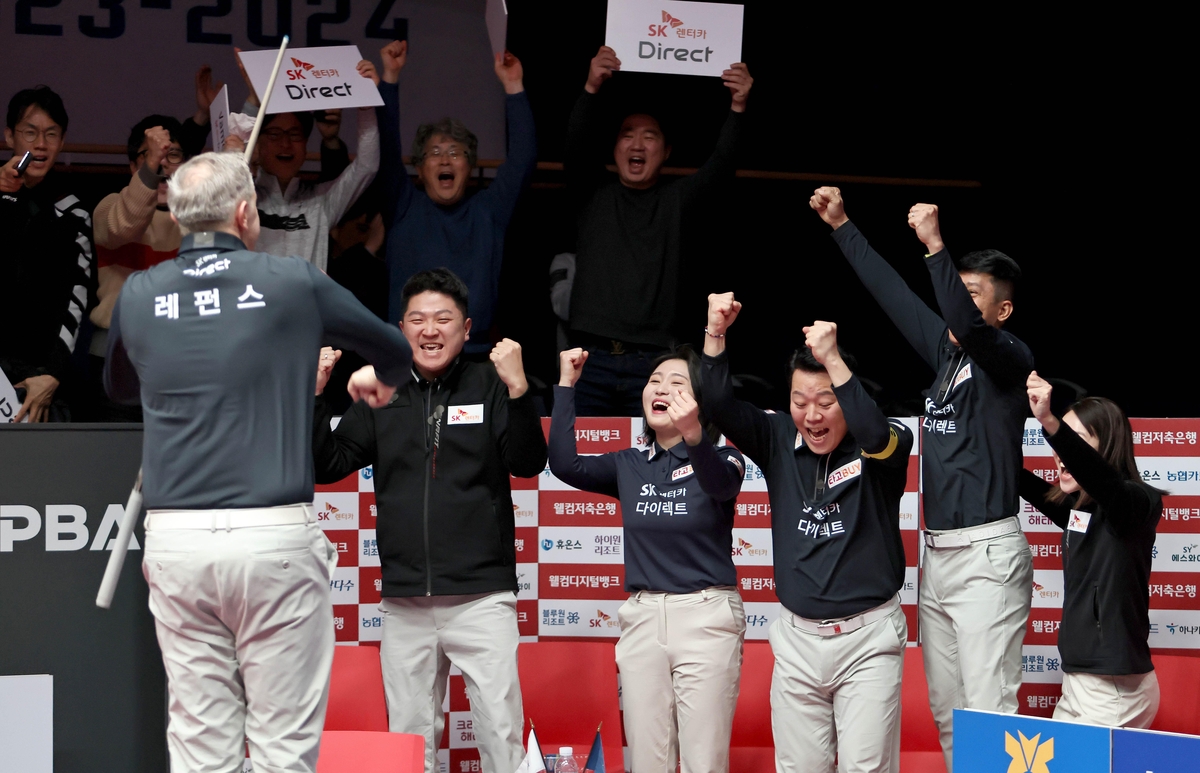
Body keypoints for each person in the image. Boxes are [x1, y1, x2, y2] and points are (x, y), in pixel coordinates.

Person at [102, 150, 412, 771]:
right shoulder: (291, 282)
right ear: (247, 214)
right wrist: (381, 377)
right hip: (271, 538)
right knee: (282, 745)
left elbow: (119, 387)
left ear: (173, 210)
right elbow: (394, 347)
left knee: (200, 744)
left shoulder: (138, 295)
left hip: (178, 541)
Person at [809, 188, 1034, 770]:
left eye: (971, 293)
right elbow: (892, 295)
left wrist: (935, 245)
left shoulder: (1010, 357)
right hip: (938, 558)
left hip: (988, 557)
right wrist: (842, 226)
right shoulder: (947, 355)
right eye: (954, 287)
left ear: (1001, 311)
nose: (955, 302)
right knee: (947, 711)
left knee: (989, 713)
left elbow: (965, 323)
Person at [312, 267, 547, 773]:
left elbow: (527, 464)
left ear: (466, 329)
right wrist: (314, 397)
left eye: (444, 318)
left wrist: (520, 387)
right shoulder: (383, 387)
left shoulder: (490, 382)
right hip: (405, 602)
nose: (430, 329)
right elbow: (327, 465)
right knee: (409, 745)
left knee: (501, 737)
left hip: (482, 598)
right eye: (418, 319)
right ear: (401, 330)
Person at [702, 293, 913, 773]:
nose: (812, 416)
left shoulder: (886, 439)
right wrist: (715, 333)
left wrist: (833, 357)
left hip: (868, 640)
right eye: (800, 402)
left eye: (826, 402)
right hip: (797, 641)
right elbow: (716, 403)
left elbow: (877, 436)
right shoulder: (777, 437)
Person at [550, 344, 746, 773]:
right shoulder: (630, 464)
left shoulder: (725, 458)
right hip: (641, 619)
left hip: (706, 616)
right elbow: (565, 465)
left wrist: (694, 437)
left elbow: (719, 487)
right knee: (646, 761)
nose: (661, 389)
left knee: (704, 762)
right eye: (654, 381)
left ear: (699, 402)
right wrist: (567, 385)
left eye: (678, 383)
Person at [564, 46, 752, 415]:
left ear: (665, 152)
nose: (637, 144)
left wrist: (738, 107)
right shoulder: (594, 194)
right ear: (615, 147)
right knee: (582, 464)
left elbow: (721, 165)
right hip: (589, 359)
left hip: (653, 363)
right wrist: (590, 88)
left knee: (651, 464)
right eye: (627, 135)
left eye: (649, 136)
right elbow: (575, 144)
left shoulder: (677, 200)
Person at [374, 40, 537, 355]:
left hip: (472, 357)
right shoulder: (403, 206)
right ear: (420, 169)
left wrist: (514, 86)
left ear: (470, 165)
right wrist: (390, 78)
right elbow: (385, 151)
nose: (445, 160)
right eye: (434, 153)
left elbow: (523, 160)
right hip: (407, 357)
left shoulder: (489, 210)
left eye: (455, 153)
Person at [1021, 373, 1163, 727]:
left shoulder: (1136, 502)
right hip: (1079, 683)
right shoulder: (1077, 512)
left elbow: (1104, 482)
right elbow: (1019, 479)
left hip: (1111, 690)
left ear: (1106, 447)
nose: (1060, 454)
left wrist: (1050, 422)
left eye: (1075, 441)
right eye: (1059, 443)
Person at [0, 85, 94, 422]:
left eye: (51, 134)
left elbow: (78, 299)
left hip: (41, 381)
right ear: (10, 136)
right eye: (30, 132)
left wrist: (53, 373)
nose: (41, 144)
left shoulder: (74, 215)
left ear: (62, 141)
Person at [253, 59, 381, 272]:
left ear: (305, 145)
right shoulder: (240, 198)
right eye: (275, 134)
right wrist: (251, 101)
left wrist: (366, 104)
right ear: (258, 143)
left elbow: (367, 165)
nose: (285, 144)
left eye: (295, 134)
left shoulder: (321, 201)